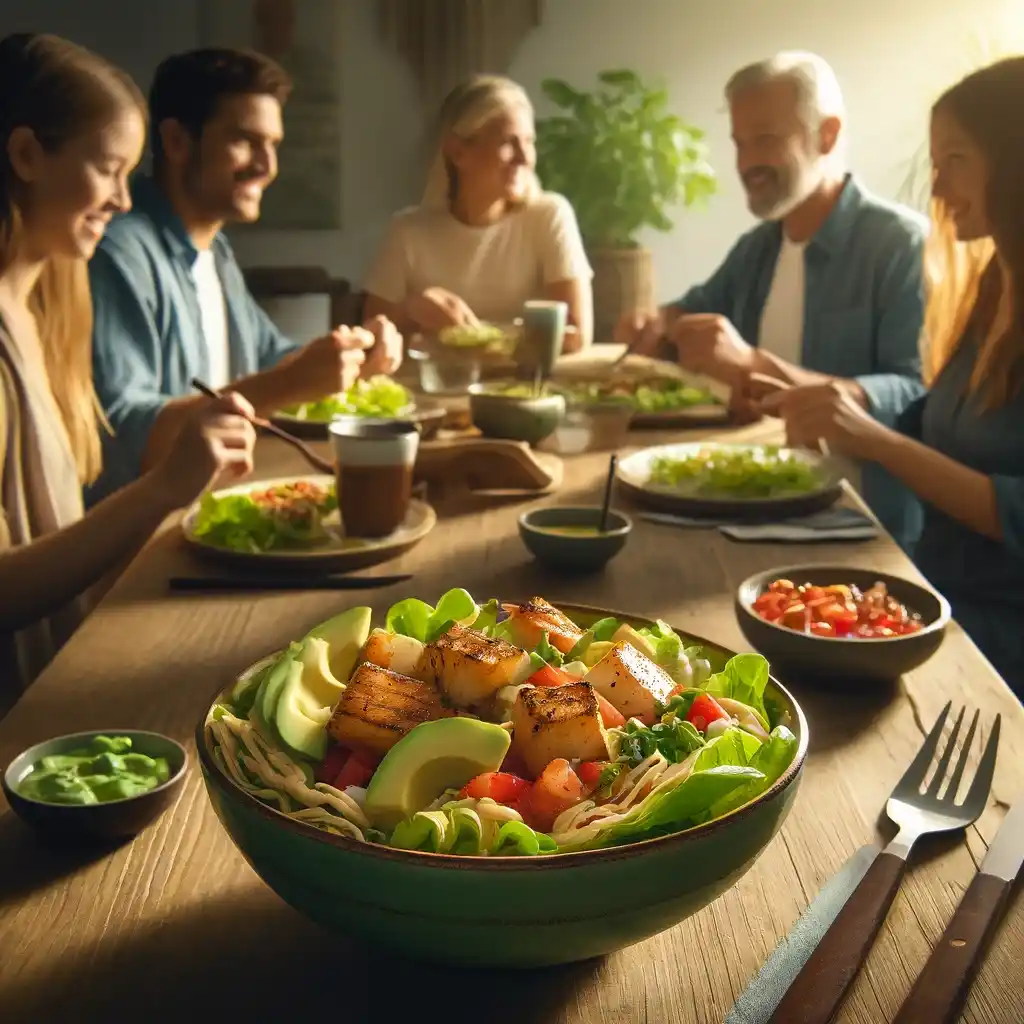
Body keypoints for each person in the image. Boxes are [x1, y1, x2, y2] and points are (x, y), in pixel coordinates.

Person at [0, 33, 257, 706]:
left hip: (61, 676)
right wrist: (166, 486)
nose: (121, 200)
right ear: (27, 155)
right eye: (109, 170)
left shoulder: (50, 306)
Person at [762, 58, 1024, 695]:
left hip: (995, 638)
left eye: (954, 159)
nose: (936, 185)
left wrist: (876, 437)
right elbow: (943, 417)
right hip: (925, 596)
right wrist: (832, 404)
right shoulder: (997, 284)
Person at [615, 52, 927, 549]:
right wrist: (656, 324)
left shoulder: (901, 244)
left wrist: (755, 363)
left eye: (765, 139)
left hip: (862, 531)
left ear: (826, 136)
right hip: (753, 512)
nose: (745, 163)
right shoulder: (757, 247)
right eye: (739, 143)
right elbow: (689, 312)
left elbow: (914, 395)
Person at [87, 47, 402, 504]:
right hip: (144, 546)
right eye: (244, 140)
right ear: (176, 141)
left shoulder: (215, 249)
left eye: (273, 144)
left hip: (218, 499)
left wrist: (351, 355)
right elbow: (126, 439)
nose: (267, 165)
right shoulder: (117, 253)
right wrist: (291, 383)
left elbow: (272, 356)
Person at [363, 74, 594, 350]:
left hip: (526, 388)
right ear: (458, 153)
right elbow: (370, 337)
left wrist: (478, 336)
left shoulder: (549, 216)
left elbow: (576, 335)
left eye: (529, 141)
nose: (525, 157)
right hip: (436, 389)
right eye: (509, 142)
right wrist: (411, 311)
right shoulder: (407, 231)